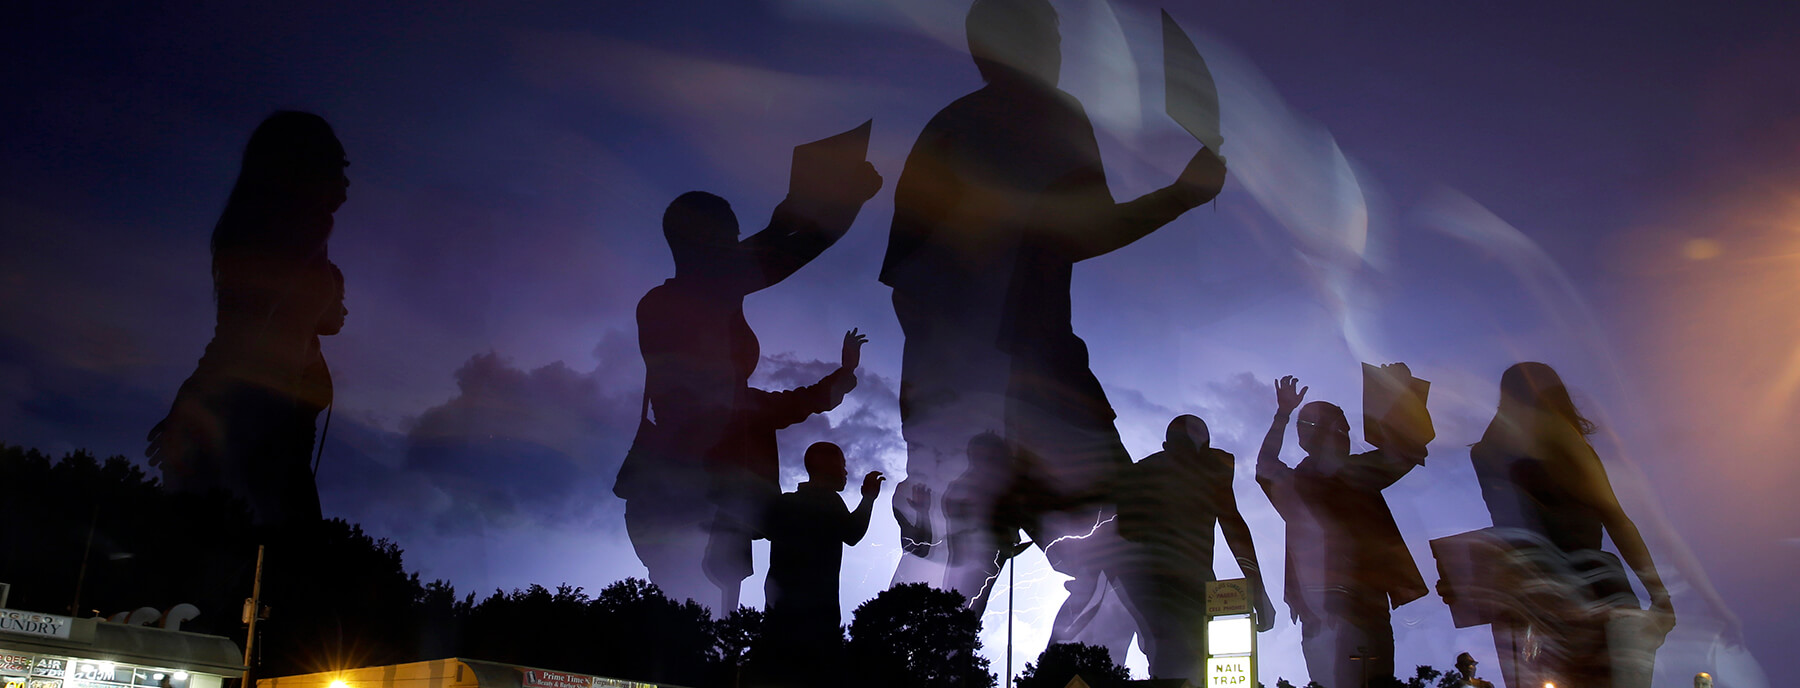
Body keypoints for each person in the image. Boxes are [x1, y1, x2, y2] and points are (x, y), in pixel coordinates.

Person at [878, 0, 1227, 647]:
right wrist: (1182, 193)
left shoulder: (947, 129)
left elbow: (905, 286)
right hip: (1036, 390)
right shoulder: (1045, 117)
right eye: (1047, 29)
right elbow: (1084, 228)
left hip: (962, 394)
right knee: (1118, 560)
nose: (1058, 43)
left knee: (947, 576)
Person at [614, 161, 882, 613]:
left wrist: (803, 215)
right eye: (729, 237)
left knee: (709, 632)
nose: (738, 245)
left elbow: (771, 253)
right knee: (701, 632)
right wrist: (836, 205)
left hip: (703, 507)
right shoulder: (678, 304)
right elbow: (772, 258)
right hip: (695, 505)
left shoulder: (687, 300)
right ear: (701, 243)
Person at [147, 111, 350, 528]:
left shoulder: (291, 234)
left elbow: (285, 319)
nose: (347, 182)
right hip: (255, 423)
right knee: (267, 555)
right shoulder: (303, 228)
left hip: (269, 425)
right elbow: (244, 333)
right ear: (309, 167)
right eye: (339, 167)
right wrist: (193, 406)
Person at [1470, 362, 1675, 688]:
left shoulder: (1485, 451)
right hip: (1592, 589)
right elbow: (1615, 518)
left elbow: (1506, 529)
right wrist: (1660, 595)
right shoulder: (1557, 432)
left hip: (1530, 597)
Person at [1256, 371, 1432, 688]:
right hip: (1325, 606)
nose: (1346, 435)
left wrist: (1400, 395)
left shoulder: (1358, 473)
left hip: (1368, 603)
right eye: (1338, 428)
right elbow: (1265, 466)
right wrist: (1282, 414)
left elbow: (1408, 449)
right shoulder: (1300, 484)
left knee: (1375, 678)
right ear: (1314, 436)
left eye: (1345, 428)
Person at [1112, 414, 1275, 682]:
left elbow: (1232, 524)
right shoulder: (1156, 472)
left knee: (1190, 665)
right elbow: (1232, 523)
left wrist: (1257, 590)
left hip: (1178, 587)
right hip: (1158, 587)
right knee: (1181, 663)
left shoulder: (1163, 470)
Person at [758, 442, 884, 687]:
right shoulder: (828, 502)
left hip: (780, 613)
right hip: (817, 618)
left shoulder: (786, 503)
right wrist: (868, 499)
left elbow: (763, 529)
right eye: (842, 465)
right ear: (826, 467)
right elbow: (853, 533)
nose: (846, 472)